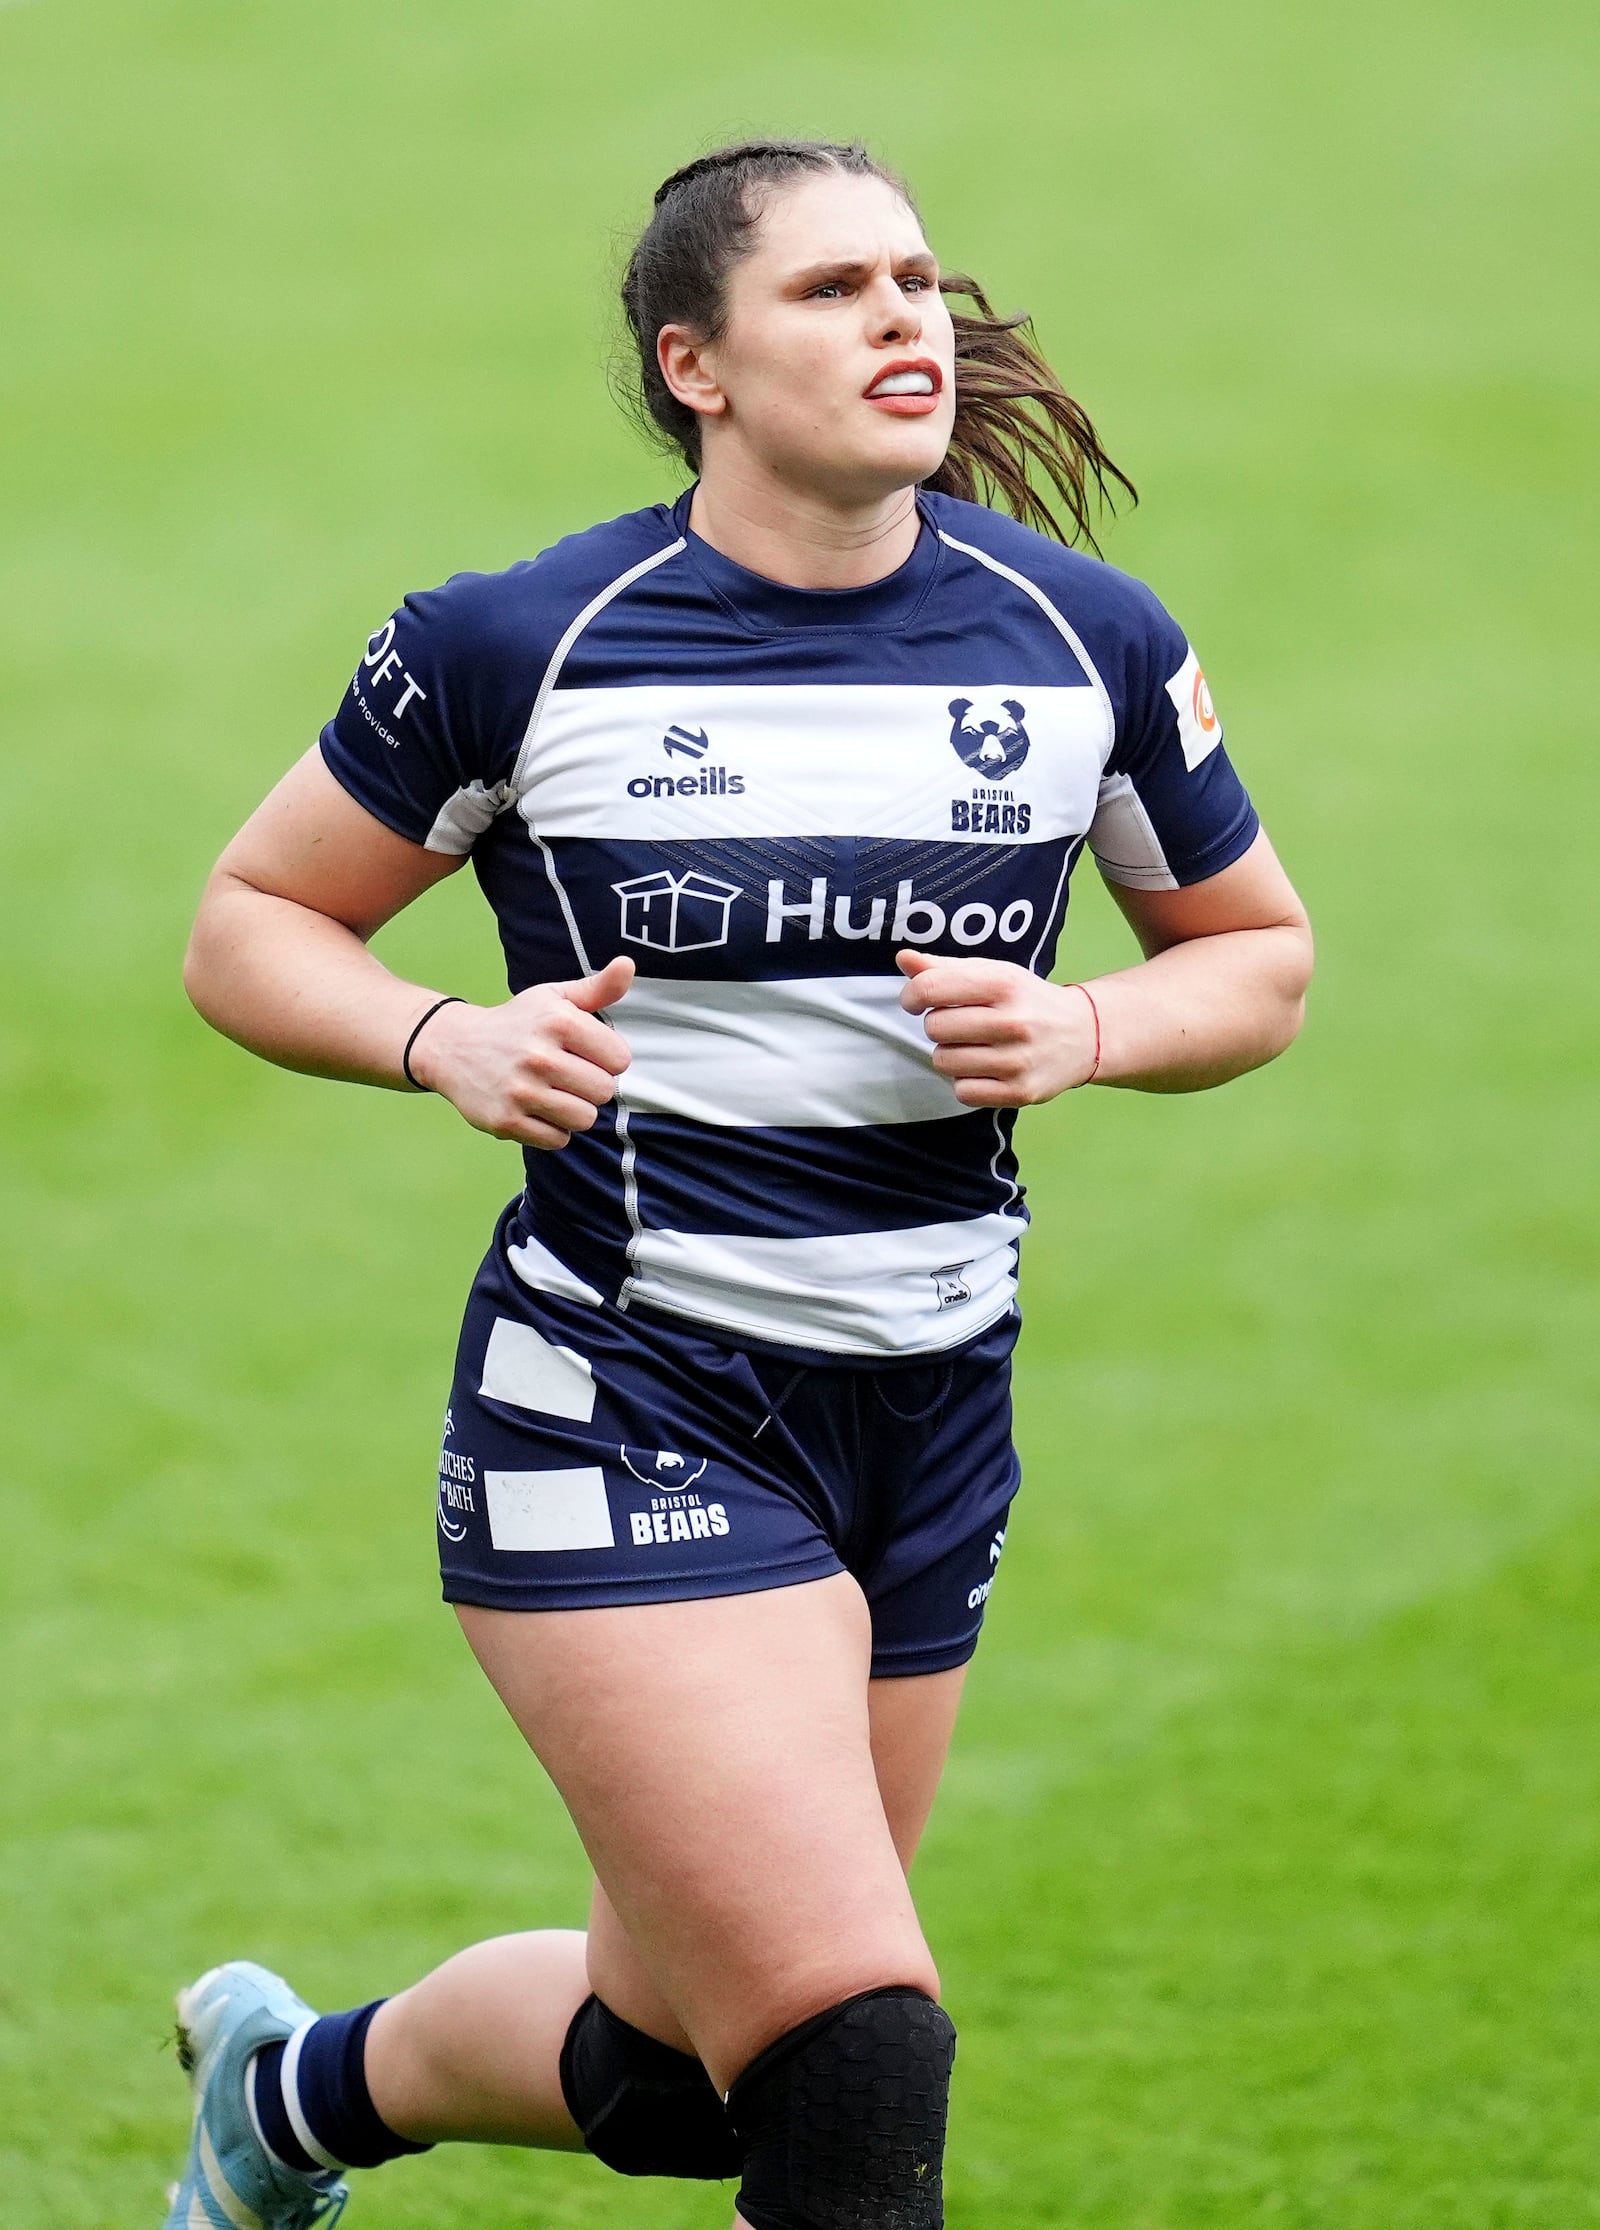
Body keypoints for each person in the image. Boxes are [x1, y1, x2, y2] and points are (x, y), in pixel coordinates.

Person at [165, 138, 1313, 2230]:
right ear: (692, 362)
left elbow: (1254, 952)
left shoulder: (1084, 641)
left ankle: (292, 2093)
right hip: (623, 1392)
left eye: (916, 279)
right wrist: (445, 1038)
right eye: (832, 290)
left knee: (693, 2066)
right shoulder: (527, 639)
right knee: (852, 2045)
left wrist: (1087, 1028)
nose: (905, 319)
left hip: (927, 1403)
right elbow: (252, 920)